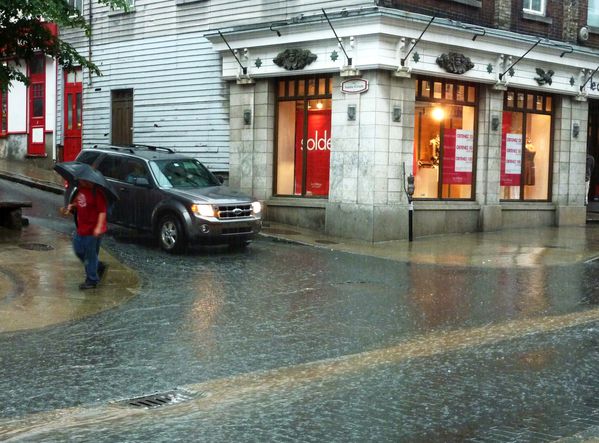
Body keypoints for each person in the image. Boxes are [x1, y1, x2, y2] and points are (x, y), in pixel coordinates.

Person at [61, 179, 108, 290]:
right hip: (81, 228)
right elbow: (80, 202)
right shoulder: (81, 190)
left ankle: (92, 280)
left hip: (92, 230)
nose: (79, 181)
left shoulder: (97, 193)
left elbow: (102, 211)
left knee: (89, 255)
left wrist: (99, 227)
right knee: (78, 250)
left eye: (82, 180)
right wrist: (72, 206)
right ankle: (97, 266)